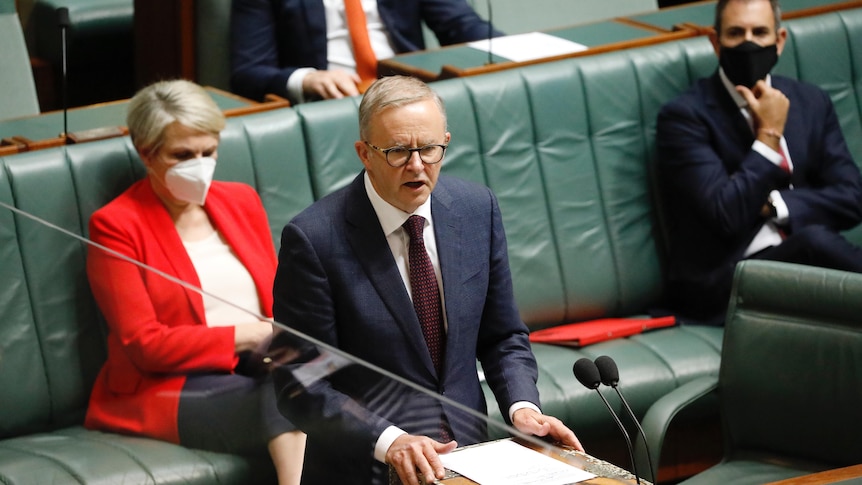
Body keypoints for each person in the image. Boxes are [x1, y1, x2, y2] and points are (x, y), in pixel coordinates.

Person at [269, 75, 582, 485]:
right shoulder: (314, 239)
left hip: (470, 461)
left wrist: (522, 408)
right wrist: (389, 440)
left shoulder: (476, 209)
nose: (417, 165)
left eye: (430, 149)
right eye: (398, 151)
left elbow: (502, 336)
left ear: (445, 141)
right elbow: (299, 382)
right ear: (364, 153)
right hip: (365, 471)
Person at [83, 79, 306, 485]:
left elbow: (278, 300)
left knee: (342, 383)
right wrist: (247, 334)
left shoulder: (240, 200)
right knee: (289, 396)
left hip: (259, 366)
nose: (199, 165)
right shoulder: (115, 226)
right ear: (145, 153)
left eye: (208, 152)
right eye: (182, 155)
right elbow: (145, 346)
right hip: (165, 387)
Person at [656, 0, 862, 326]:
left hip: (810, 270)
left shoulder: (810, 102)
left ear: (779, 40)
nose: (749, 43)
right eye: (736, 33)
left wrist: (776, 204)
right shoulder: (685, 117)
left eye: (760, 32)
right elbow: (727, 213)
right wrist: (769, 135)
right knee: (815, 242)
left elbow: (852, 197)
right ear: (716, 42)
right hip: (727, 281)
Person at [229, 0, 501, 104]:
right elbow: (247, 72)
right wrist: (307, 79)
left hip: (411, 92)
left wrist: (513, 51)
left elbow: (460, 24)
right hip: (335, 102)